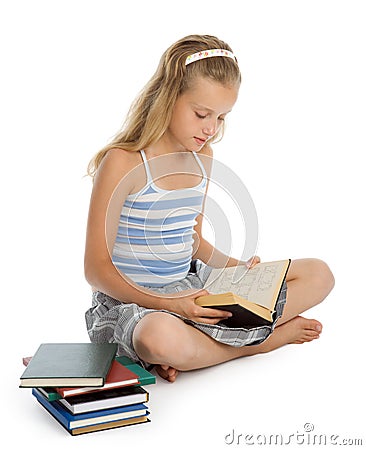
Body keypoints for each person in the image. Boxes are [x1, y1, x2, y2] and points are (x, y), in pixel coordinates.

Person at [84, 35, 334, 383]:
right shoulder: (123, 162)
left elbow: (194, 243)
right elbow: (96, 269)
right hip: (132, 304)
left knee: (319, 274)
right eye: (202, 114)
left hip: (188, 287)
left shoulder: (204, 159)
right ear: (169, 97)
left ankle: (196, 351)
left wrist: (241, 269)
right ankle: (257, 344)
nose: (211, 128)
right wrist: (172, 306)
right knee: (160, 337)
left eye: (221, 117)